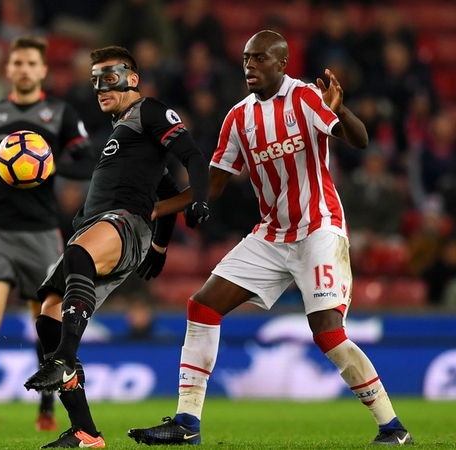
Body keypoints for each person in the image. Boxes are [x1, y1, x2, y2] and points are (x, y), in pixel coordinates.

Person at [127, 30, 414, 446]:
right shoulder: (238, 117)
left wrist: (341, 108)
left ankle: (392, 426)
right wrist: (155, 209)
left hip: (319, 227)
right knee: (203, 306)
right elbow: (216, 183)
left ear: (281, 64)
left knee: (328, 332)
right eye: (246, 59)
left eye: (260, 59)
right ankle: (187, 424)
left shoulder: (306, 98)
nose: (250, 67)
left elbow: (361, 140)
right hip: (273, 234)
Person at [22, 45, 210, 448]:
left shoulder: (151, 111)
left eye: (109, 77)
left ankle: (64, 359)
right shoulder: (125, 135)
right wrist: (160, 248)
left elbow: (193, 156)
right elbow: (166, 189)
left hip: (123, 224)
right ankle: (86, 431)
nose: (100, 87)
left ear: (132, 78)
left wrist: (202, 200)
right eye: (94, 81)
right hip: (99, 228)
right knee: (47, 315)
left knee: (77, 258)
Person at [0, 36, 97, 433]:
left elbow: (88, 162)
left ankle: (47, 408)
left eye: (32, 63)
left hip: (43, 231)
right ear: (9, 70)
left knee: (42, 318)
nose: (24, 69)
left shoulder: (59, 113)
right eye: (18, 63)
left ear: (43, 70)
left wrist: (48, 164)